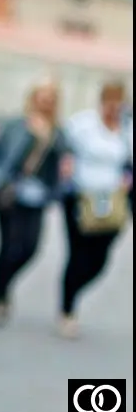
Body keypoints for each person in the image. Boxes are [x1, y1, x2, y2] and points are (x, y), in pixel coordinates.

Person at [0, 77, 71, 326]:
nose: (45, 102)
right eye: (41, 96)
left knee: (30, 248)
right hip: (10, 192)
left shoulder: (57, 132)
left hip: (37, 197)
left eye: (50, 98)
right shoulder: (17, 124)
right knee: (8, 245)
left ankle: (6, 283)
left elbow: (61, 163)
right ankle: (0, 296)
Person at [57, 79, 132, 339]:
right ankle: (67, 308)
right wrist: (66, 165)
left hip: (110, 200)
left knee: (99, 259)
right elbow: (63, 147)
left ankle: (76, 289)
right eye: (110, 100)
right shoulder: (84, 124)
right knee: (78, 253)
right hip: (80, 195)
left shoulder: (127, 129)